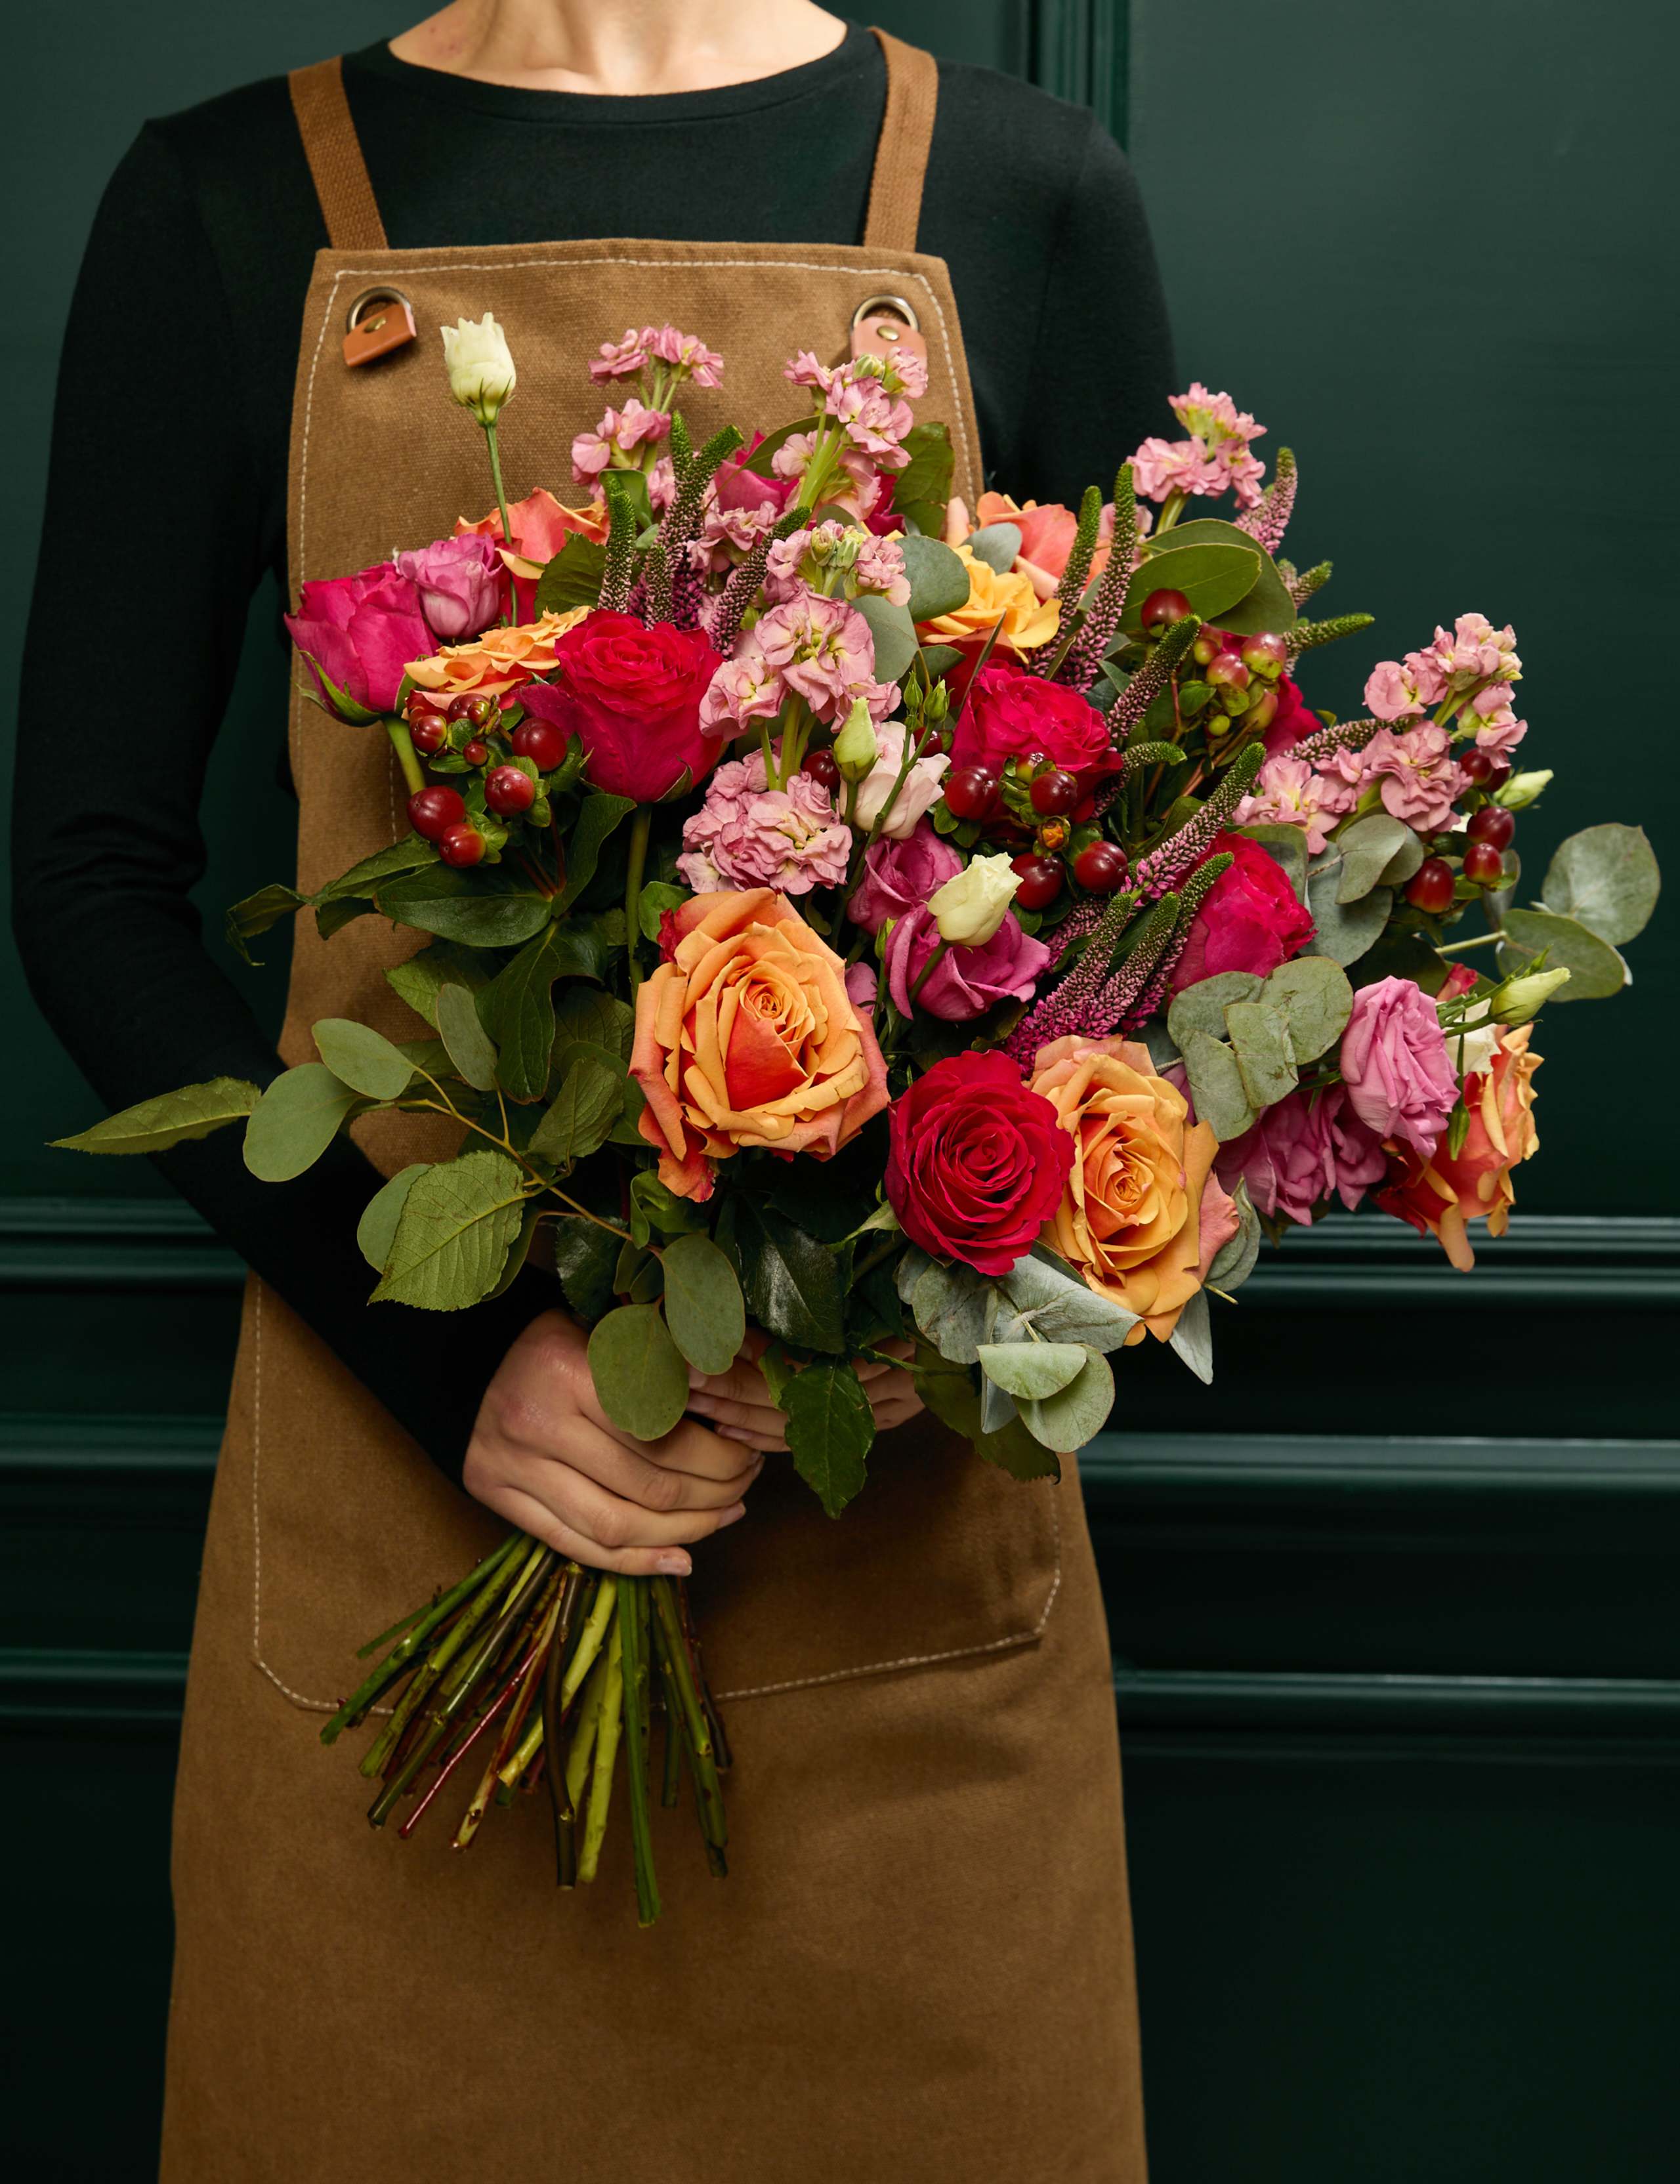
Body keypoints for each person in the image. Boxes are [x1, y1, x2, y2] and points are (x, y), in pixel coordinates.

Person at [14, 6, 1175, 2177]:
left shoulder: (1024, 194)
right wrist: (458, 1362)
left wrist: (912, 1292)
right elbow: (88, 881)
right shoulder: (228, 202)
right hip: (400, 1559)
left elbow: (1151, 861)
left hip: (896, 1595)